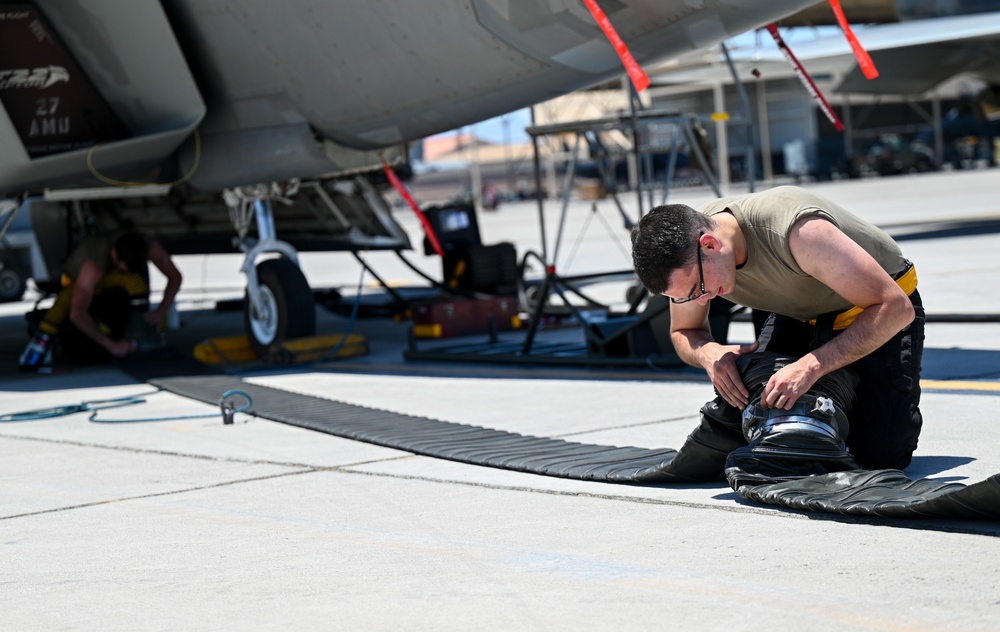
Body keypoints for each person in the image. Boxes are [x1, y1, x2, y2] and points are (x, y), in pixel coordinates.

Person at [630, 186, 923, 470]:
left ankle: (851, 393)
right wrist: (710, 355)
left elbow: (895, 308)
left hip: (874, 310)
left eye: (700, 288)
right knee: (767, 429)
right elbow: (683, 332)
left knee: (881, 455)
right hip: (792, 311)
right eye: (688, 297)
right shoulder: (688, 255)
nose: (703, 300)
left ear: (710, 244)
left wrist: (812, 366)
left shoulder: (798, 232)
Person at [19, 231, 182, 368]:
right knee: (70, 309)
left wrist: (161, 311)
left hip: (113, 283)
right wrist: (113, 347)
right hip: (81, 283)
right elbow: (77, 314)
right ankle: (41, 343)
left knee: (135, 284)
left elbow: (175, 277)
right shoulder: (93, 266)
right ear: (114, 254)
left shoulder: (149, 246)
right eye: (123, 270)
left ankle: (139, 333)